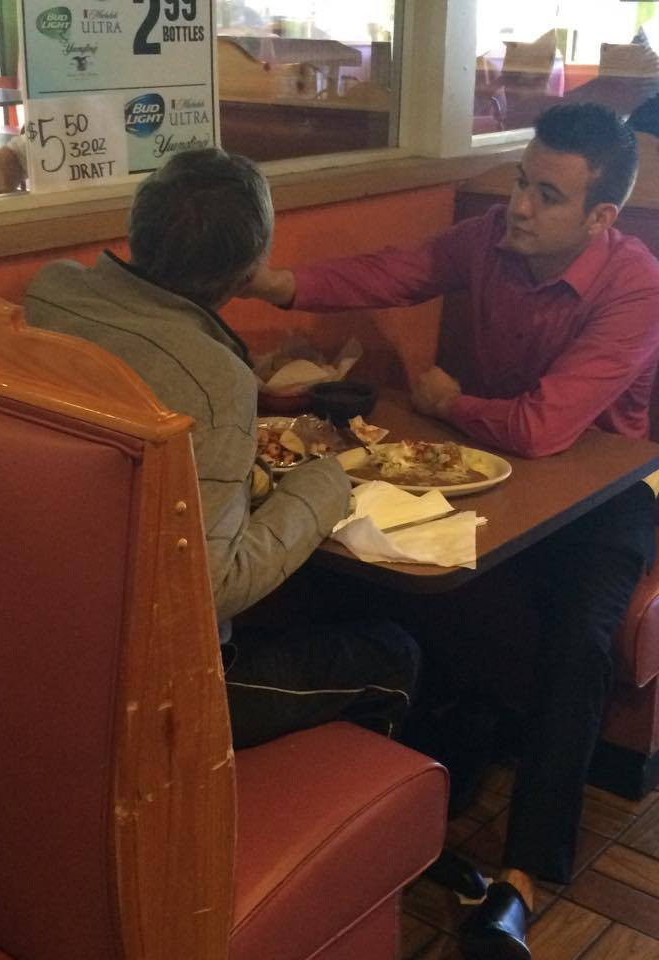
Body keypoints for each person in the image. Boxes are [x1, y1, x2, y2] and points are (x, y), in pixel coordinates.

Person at [242, 103, 659, 959]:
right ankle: (405, 800)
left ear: (602, 217)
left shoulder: (636, 284)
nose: (521, 206)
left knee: (579, 637)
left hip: (609, 492)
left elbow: (547, 429)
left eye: (549, 195)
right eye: (520, 181)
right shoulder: (490, 243)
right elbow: (396, 270)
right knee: (377, 567)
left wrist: (443, 402)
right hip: (493, 469)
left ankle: (523, 880)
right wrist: (280, 284)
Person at [24, 146, 420, 752]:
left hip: (41, 639)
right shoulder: (213, 381)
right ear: (247, 271)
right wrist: (326, 480)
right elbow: (214, 587)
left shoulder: (51, 291)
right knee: (393, 652)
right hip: (158, 688)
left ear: (137, 224)